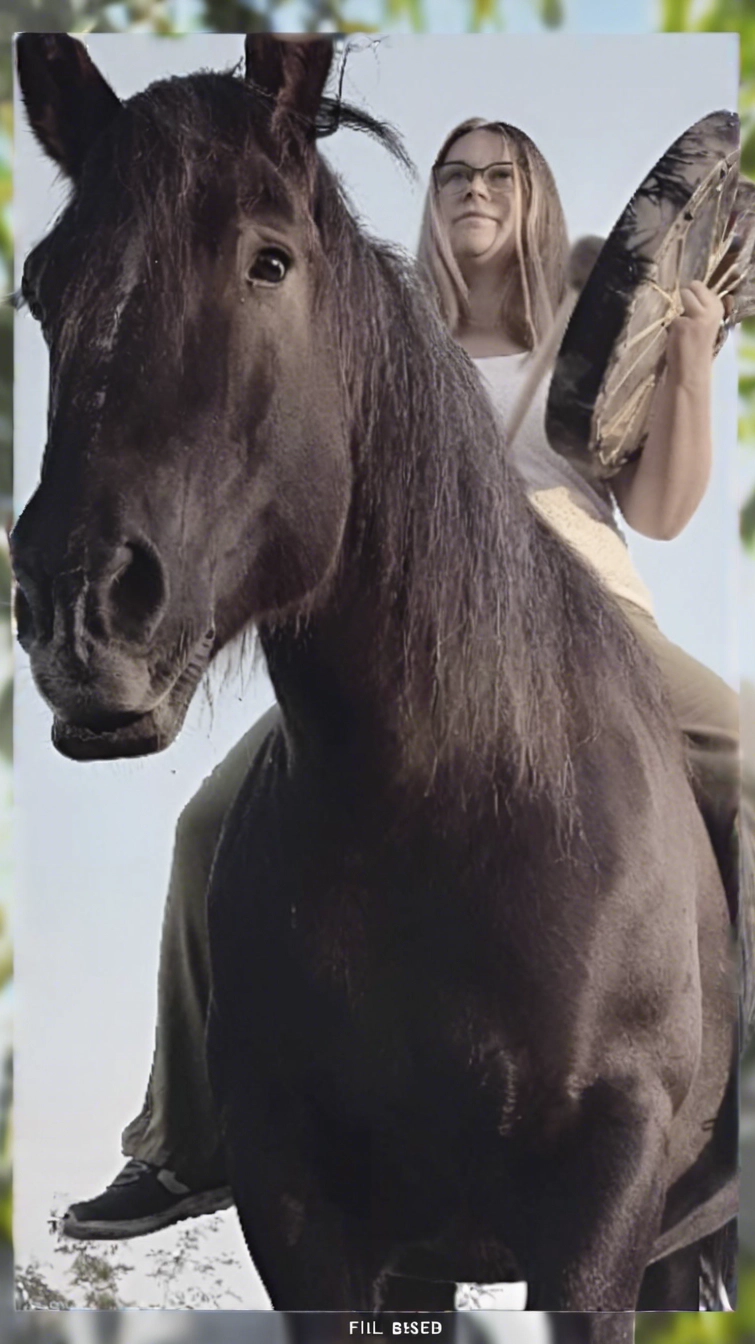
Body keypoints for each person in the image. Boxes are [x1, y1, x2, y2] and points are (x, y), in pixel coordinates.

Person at [61, 118, 745, 1241]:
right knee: (202, 828)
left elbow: (665, 512)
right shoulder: (371, 333)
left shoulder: (589, 334)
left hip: (590, 620)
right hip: (416, 632)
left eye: (499, 174)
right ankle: (182, 1145)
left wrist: (687, 350)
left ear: (533, 197)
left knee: (739, 750)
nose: (473, 189)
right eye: (453, 173)